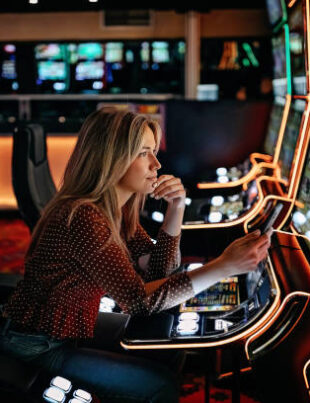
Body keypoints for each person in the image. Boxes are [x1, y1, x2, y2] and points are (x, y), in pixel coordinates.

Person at [0, 108, 271, 402]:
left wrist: (176, 209)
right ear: (111, 159)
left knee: (165, 348)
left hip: (72, 326)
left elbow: (159, 272)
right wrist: (224, 266)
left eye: (154, 152)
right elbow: (140, 301)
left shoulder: (117, 210)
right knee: (159, 386)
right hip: (38, 344)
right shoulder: (83, 217)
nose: (156, 164)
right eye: (144, 153)